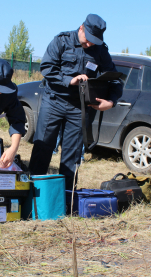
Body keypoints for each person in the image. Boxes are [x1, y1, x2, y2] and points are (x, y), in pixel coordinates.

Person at [29, 14, 123, 189]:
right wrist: (69, 80)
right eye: (87, 40)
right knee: (43, 148)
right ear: (81, 28)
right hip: (53, 102)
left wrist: (111, 101)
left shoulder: (100, 50)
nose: (89, 45)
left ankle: (66, 198)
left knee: (72, 155)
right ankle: (34, 196)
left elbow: (115, 79)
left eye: (93, 42)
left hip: (79, 108)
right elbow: (47, 67)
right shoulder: (61, 41)